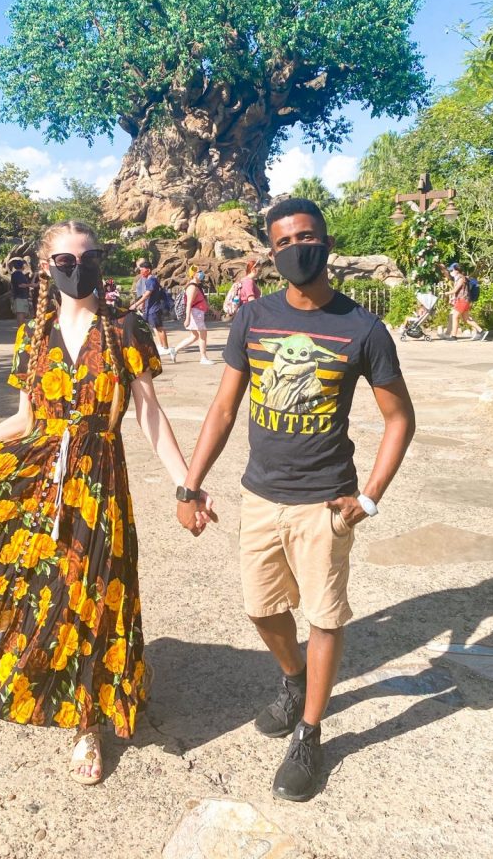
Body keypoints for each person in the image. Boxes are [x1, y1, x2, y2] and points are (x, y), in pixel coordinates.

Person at [0, 220, 215, 786]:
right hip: (40, 476)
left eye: (88, 257)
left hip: (99, 481)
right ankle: (18, 657)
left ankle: (87, 722)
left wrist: (185, 484)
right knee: (35, 583)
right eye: (66, 260)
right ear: (48, 268)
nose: (78, 268)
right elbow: (24, 420)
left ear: (100, 262)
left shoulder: (126, 330)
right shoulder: (33, 336)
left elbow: (147, 415)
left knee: (94, 594)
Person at [176, 198, 416, 802]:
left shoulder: (362, 329)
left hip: (325, 502)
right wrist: (190, 483)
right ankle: (292, 679)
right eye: (282, 242)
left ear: (326, 242)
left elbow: (399, 418)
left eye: (305, 237)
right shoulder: (254, 317)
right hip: (260, 495)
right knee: (261, 610)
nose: (295, 250)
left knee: (325, 616)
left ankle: (310, 732)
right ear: (271, 252)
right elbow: (225, 409)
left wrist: (371, 497)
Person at [130, 262, 176, 363]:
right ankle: (165, 347)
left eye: (142, 270)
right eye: (140, 270)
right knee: (156, 328)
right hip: (151, 308)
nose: (141, 272)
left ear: (149, 270)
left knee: (159, 328)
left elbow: (147, 294)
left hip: (154, 309)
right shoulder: (150, 280)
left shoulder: (151, 280)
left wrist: (136, 304)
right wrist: (143, 305)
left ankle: (166, 348)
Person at [173, 266, 215, 365]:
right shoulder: (192, 287)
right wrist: (187, 319)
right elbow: (189, 304)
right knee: (203, 335)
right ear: (194, 274)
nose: (201, 273)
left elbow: (201, 301)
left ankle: (175, 350)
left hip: (197, 313)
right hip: (196, 314)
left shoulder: (196, 286)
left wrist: (213, 311)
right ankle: (203, 357)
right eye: (199, 271)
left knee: (194, 336)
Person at [440, 262, 489, 340]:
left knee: (455, 317)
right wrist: (443, 268)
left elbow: (455, 290)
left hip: (462, 300)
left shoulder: (461, 278)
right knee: (466, 319)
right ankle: (481, 331)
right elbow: (450, 278)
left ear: (457, 270)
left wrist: (446, 293)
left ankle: (453, 336)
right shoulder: (459, 277)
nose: (451, 272)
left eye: (452, 270)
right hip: (464, 300)